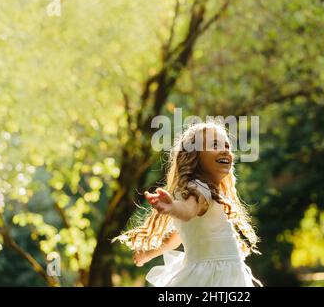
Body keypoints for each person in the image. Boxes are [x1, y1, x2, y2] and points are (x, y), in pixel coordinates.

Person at [113, 121, 263, 286]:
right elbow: (187, 210)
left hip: (221, 274)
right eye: (214, 145)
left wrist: (149, 254)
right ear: (194, 156)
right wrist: (173, 208)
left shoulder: (207, 192)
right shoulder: (197, 190)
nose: (225, 150)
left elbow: (176, 238)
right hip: (213, 278)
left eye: (227, 146)